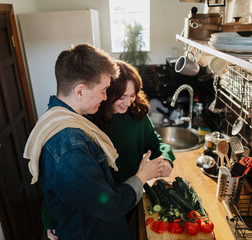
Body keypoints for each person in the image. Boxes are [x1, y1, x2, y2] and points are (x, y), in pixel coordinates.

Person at [23, 44, 165, 240]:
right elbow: (110, 206)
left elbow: (59, 187)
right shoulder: (71, 144)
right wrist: (142, 176)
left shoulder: (56, 118)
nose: (106, 97)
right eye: (104, 90)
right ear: (80, 91)